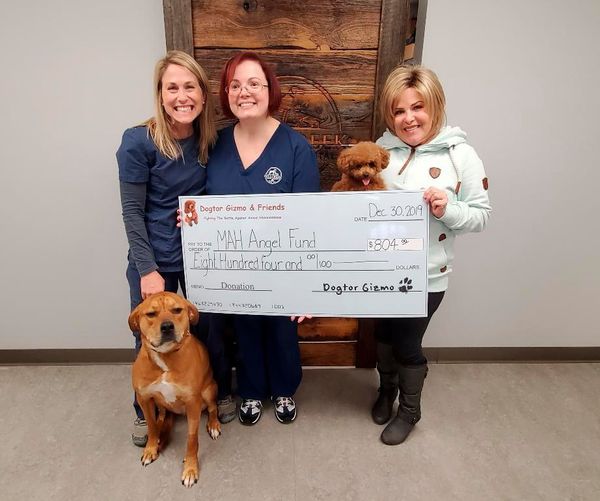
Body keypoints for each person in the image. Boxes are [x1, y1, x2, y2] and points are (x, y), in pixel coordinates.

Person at [372, 65, 491, 445]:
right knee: (383, 338)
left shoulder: (461, 155)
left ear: (435, 105)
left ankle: (410, 410)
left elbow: (481, 216)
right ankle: (385, 391)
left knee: (407, 344)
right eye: (398, 111)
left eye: (417, 107)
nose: (408, 119)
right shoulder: (381, 150)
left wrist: (447, 208)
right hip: (378, 274)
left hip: (426, 276)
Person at [206, 51, 320, 425]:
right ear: (226, 93)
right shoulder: (214, 144)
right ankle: (252, 391)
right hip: (233, 270)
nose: (244, 92)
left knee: (281, 329)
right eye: (235, 85)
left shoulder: (294, 147)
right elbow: (200, 203)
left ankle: (285, 388)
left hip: (283, 267)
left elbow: (308, 221)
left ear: (270, 90)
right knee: (244, 329)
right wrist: (186, 218)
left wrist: (306, 286)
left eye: (254, 83)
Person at [116, 50, 218, 447]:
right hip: (153, 258)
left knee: (205, 328)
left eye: (189, 86)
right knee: (150, 335)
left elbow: (215, 197)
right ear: (160, 95)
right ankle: (145, 410)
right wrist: (147, 269)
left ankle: (207, 392)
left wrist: (204, 216)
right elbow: (130, 212)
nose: (182, 96)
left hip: (199, 256)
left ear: (203, 95)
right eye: (172, 87)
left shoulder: (210, 139)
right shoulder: (137, 141)